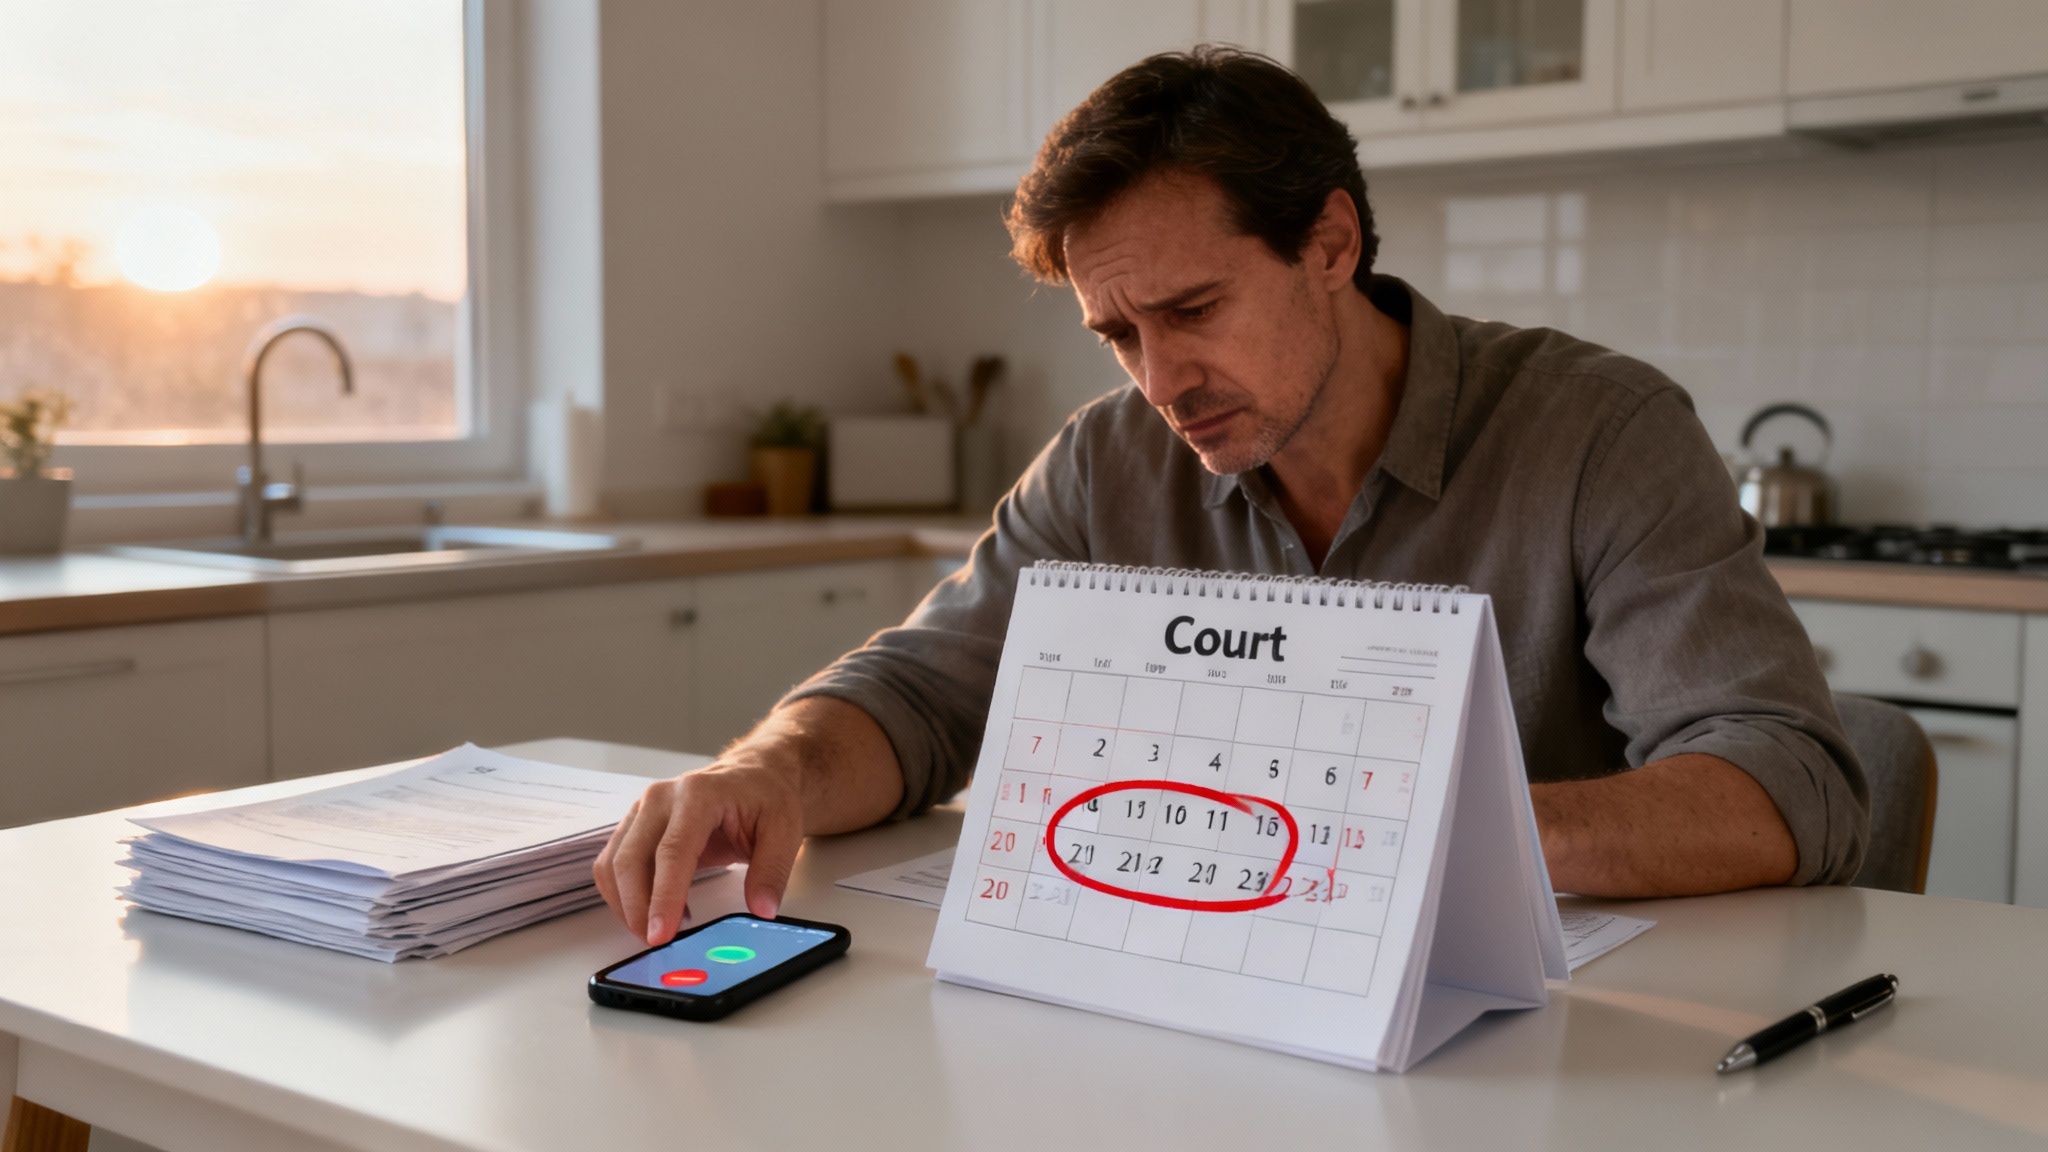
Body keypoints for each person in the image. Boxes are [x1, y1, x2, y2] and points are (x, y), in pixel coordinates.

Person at [595, 47, 1868, 947]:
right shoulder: (1107, 464)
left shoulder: (1599, 431)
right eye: (1118, 334)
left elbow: (1781, 782)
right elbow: (920, 696)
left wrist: (1385, 825)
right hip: (1215, 997)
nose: (1162, 381)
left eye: (1194, 311)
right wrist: (763, 771)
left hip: (1554, 1040)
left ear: (1329, 244)